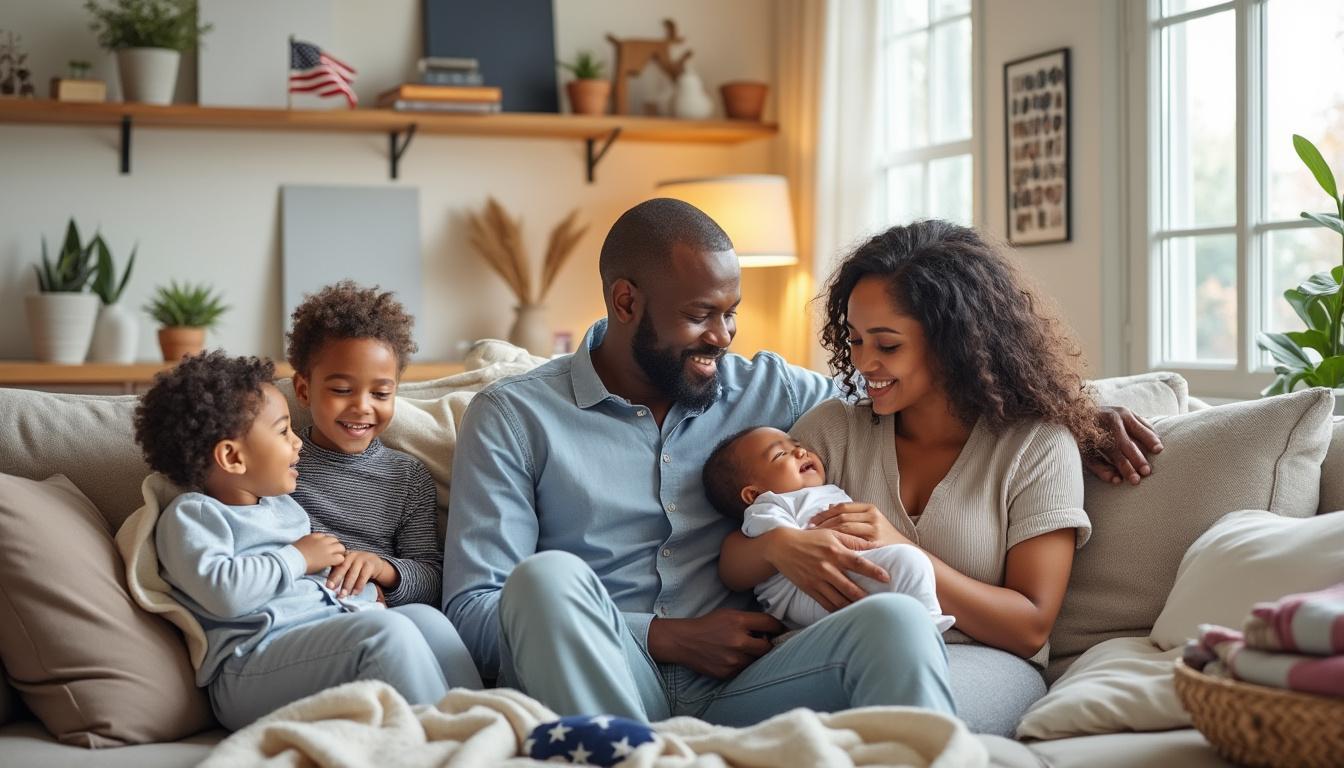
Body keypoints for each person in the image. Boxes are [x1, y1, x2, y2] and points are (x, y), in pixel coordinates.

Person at [443, 200, 1158, 728]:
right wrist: (663, 635)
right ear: (626, 302)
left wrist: (1078, 412)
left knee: (894, 622)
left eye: (732, 313)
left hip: (752, 680)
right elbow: (477, 614)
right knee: (548, 578)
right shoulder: (513, 418)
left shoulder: (771, 391)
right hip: (602, 666)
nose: (721, 338)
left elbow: (931, 384)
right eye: (701, 315)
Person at [719, 220, 1146, 737]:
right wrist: (778, 546)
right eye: (854, 340)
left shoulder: (1034, 446)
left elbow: (1029, 625)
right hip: (829, 657)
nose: (863, 363)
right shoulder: (830, 430)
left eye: (888, 345)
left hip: (984, 665)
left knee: (894, 687)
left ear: (954, 343)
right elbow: (740, 552)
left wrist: (904, 550)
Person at [135, 351, 480, 730]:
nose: (296, 441)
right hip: (249, 671)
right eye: (283, 431)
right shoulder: (195, 516)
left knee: (425, 620)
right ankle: (445, 740)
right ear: (232, 457)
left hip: (316, 643)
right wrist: (297, 558)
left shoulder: (282, 506)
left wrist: (363, 592)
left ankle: (480, 720)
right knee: (387, 633)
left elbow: (316, 585)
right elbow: (224, 593)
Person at [703, 425, 953, 632]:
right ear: (753, 493)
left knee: (903, 574)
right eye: (781, 455)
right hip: (803, 591)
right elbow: (781, 547)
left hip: (842, 573)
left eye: (796, 444)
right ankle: (928, 627)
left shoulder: (823, 490)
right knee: (908, 561)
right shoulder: (768, 506)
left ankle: (915, 625)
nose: (800, 451)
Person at [287, 281, 442, 608]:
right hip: (305, 609)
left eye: (381, 394)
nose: (362, 406)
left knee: (435, 627)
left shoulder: (408, 478)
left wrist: (382, 568)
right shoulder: (279, 462)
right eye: (342, 390)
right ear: (303, 391)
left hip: (383, 610)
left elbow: (431, 577)